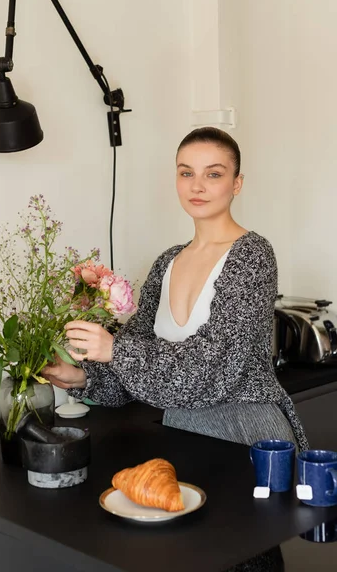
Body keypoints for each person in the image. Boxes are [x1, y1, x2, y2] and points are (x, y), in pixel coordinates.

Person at [42, 126, 308, 454]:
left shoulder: (252, 254)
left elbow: (216, 365)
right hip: (181, 431)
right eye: (186, 173)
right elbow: (137, 366)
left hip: (247, 434)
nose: (197, 185)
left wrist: (115, 350)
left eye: (213, 174)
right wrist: (83, 377)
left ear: (236, 184)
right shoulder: (167, 262)